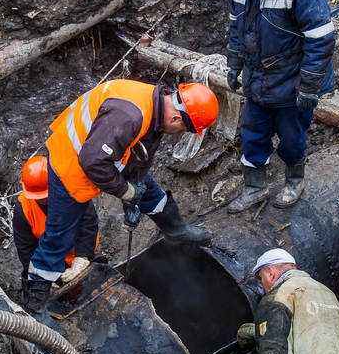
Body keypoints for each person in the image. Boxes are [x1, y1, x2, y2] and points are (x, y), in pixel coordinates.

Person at [25, 79, 219, 315]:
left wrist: (136, 187)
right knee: (60, 233)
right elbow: (92, 163)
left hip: (104, 148)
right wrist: (126, 192)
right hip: (72, 163)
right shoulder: (129, 116)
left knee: (149, 193)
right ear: (176, 118)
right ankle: (36, 300)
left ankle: (176, 231)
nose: (179, 135)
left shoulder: (155, 106)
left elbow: (141, 153)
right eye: (182, 131)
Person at [217, 0, 335, 211]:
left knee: (292, 139)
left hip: (292, 80)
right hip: (259, 78)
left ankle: (294, 181)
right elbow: (237, 25)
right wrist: (234, 63)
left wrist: (308, 87)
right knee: (253, 134)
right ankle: (254, 187)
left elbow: (320, 38)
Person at [13, 156, 99, 309]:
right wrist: (43, 277)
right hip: (50, 257)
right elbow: (25, 248)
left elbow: (88, 223)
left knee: (87, 291)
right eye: (40, 197)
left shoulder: (73, 188)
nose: (44, 200)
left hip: (76, 252)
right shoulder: (23, 209)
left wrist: (83, 257)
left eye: (46, 195)